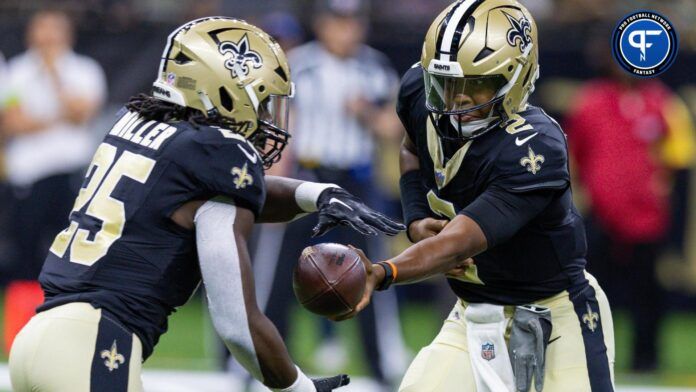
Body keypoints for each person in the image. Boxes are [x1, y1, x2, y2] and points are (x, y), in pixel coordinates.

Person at [8, 17, 404, 392]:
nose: (267, 118)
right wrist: (297, 385)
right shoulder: (217, 151)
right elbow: (237, 323)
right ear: (225, 90)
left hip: (43, 336)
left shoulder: (140, 123)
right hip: (93, 345)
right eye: (262, 101)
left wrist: (317, 194)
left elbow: (230, 194)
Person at [338, 1, 615, 391]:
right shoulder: (420, 88)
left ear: (514, 78)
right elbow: (411, 148)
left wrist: (384, 272)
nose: (458, 100)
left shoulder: (535, 146)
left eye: (475, 84)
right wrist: (417, 217)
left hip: (557, 314)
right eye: (448, 83)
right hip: (476, 312)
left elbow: (456, 243)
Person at [256, 0, 408, 387]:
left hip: (355, 179)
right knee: (279, 272)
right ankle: (266, 362)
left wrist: (367, 114)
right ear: (322, 24)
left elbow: (394, 128)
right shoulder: (301, 66)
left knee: (374, 271)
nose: (346, 31)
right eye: (338, 22)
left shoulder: (374, 67)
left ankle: (381, 363)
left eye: (353, 22)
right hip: (309, 176)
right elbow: (278, 124)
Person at [565, 55, 696, 371]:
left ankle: (646, 360)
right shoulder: (591, 101)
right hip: (599, 216)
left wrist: (659, 187)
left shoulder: (663, 102)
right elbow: (572, 153)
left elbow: (679, 157)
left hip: (646, 218)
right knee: (589, 290)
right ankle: (586, 355)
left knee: (648, 292)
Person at [1, 8, 107, 353]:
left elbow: (81, 114)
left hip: (71, 173)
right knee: (26, 254)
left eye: (55, 31)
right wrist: (59, 114)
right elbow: (14, 123)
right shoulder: (15, 71)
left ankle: (65, 331)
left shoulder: (84, 70)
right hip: (29, 175)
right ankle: (20, 332)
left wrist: (54, 79)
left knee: (72, 256)